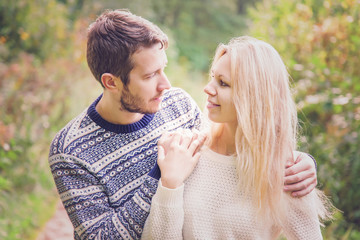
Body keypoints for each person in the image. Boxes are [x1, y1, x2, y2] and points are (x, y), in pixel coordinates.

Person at [48, 9, 318, 240]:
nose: (166, 85)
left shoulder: (178, 104)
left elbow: (227, 152)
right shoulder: (71, 149)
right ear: (111, 82)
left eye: (163, 68)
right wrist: (162, 177)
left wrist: (298, 162)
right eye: (151, 75)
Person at [141, 36, 333, 239]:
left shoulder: (287, 172)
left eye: (223, 83)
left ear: (254, 96)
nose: (208, 88)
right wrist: (169, 185)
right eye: (213, 77)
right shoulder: (188, 151)